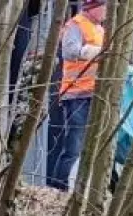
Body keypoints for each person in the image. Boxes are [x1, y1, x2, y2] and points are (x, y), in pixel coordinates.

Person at [47, 0, 106, 191]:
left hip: (95, 94)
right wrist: (98, 52)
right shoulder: (76, 25)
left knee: (98, 143)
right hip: (76, 94)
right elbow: (70, 51)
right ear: (94, 8)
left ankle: (100, 186)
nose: (106, 11)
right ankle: (59, 186)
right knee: (73, 145)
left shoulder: (100, 29)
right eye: (104, 7)